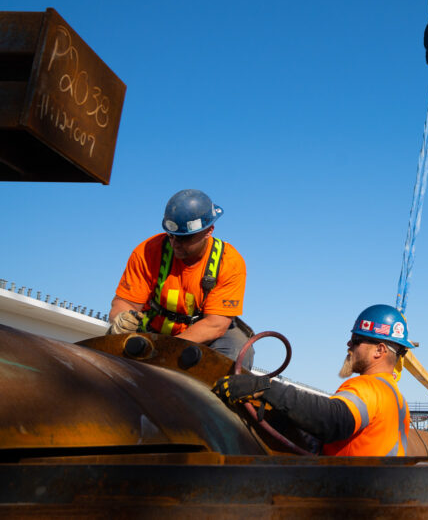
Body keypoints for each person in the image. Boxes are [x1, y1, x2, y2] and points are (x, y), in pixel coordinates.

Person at [213, 304, 412, 456]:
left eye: (357, 340)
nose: (349, 344)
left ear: (380, 350)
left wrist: (265, 387)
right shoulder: (397, 398)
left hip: (352, 496)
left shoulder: (370, 387)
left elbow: (334, 419)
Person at [107, 189, 253, 368]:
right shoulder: (147, 251)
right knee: (111, 345)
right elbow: (124, 302)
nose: (175, 243)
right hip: (151, 329)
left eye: (185, 238)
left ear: (209, 231)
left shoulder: (229, 263)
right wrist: (120, 318)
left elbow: (215, 325)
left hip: (200, 337)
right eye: (171, 235)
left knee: (238, 350)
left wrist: (165, 351)